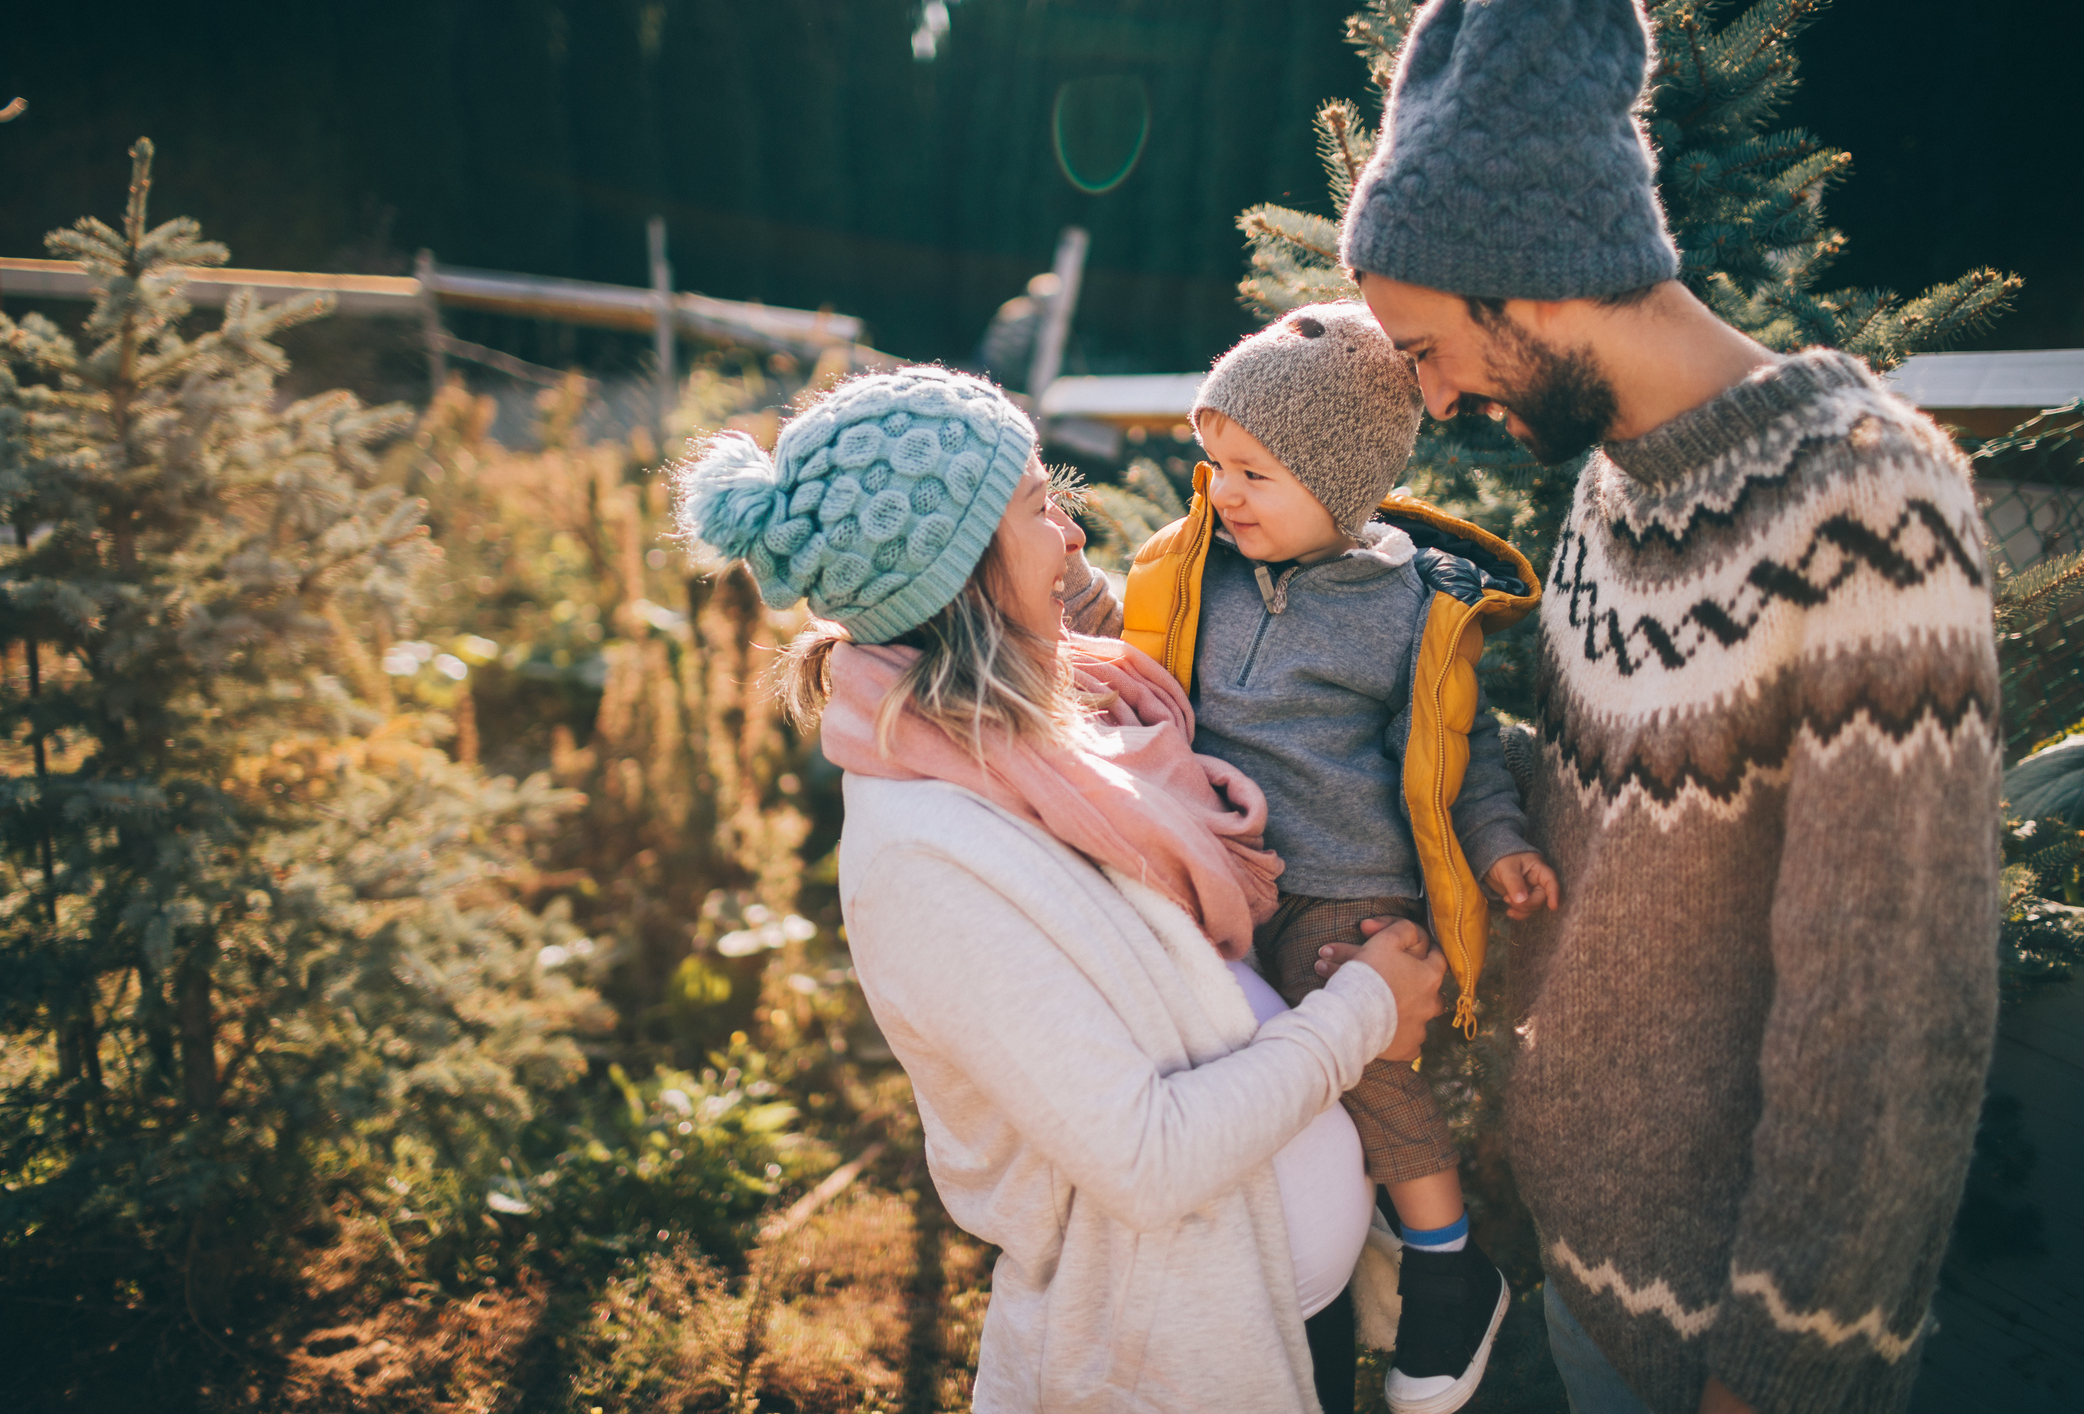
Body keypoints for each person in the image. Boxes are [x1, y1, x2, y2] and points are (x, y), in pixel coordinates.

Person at [1337, 2, 2004, 1412]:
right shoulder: (1607, 487)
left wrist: (1779, 1368)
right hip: (1591, 1275)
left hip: (1731, 1343)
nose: (1436, 398)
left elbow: (1892, 1005)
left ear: (1525, 282)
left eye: (1426, 347)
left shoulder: (1870, 498)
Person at [679, 365, 1451, 1413]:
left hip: (1272, 1313)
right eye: (1041, 507)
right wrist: (1364, 1011)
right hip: (1166, 1364)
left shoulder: (1050, 731)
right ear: (955, 570)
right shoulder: (926, 856)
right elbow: (1148, 1157)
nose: (1073, 535)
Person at [1064, 299, 1559, 1414]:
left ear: (1340, 485)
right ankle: (1346, 1242)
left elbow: (1458, 753)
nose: (1221, 491)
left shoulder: (1406, 612)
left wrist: (1501, 843)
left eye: (1253, 473)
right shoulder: (1203, 570)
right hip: (1230, 879)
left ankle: (1446, 1263)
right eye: (1213, 461)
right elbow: (1131, 656)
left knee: (1367, 1052)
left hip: (1352, 889)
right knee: (1261, 1075)